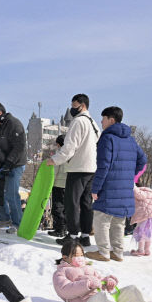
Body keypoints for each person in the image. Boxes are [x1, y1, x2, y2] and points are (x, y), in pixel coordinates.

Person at [85, 106, 146, 262]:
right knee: (119, 221)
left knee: (101, 219)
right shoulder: (131, 139)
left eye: (103, 118)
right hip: (125, 188)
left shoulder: (107, 138)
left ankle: (103, 252)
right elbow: (143, 160)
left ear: (111, 120)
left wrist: (95, 188)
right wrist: (129, 175)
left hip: (109, 186)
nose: (101, 121)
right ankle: (118, 252)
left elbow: (103, 166)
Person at [46, 94, 100, 247]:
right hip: (91, 168)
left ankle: (72, 235)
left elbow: (69, 147)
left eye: (73, 105)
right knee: (86, 203)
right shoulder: (93, 123)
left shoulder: (78, 122)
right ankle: (84, 235)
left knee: (72, 203)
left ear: (82, 105)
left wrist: (54, 160)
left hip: (78, 167)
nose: (71, 109)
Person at [0, 102, 26, 232]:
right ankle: (4, 219)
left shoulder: (14, 124)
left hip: (16, 164)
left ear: (0, 114)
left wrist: (9, 163)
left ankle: (18, 223)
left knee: (11, 194)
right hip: (4, 164)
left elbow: (19, 146)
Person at [128, 185, 152, 256]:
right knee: (147, 233)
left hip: (147, 216)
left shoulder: (142, 192)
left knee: (141, 233)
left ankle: (141, 250)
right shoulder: (151, 193)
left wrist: (132, 184)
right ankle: (147, 250)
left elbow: (138, 194)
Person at [48, 135, 67, 237]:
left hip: (58, 184)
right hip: (68, 184)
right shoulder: (71, 152)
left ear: (58, 144)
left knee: (57, 207)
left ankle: (59, 229)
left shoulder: (59, 153)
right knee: (66, 208)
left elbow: (55, 170)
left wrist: (50, 183)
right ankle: (65, 228)